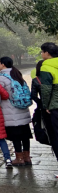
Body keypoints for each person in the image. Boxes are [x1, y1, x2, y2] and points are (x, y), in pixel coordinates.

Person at [0, 57, 32, 166]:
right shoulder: (17, 74)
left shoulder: (1, 78)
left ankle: (19, 159)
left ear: (3, 64)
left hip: (10, 111)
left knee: (16, 136)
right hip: (23, 109)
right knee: (25, 135)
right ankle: (27, 158)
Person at [38, 43, 58, 176]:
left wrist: (46, 106)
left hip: (56, 107)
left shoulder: (46, 66)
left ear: (47, 53)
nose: (41, 54)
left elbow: (46, 90)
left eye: (42, 52)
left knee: (56, 137)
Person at [31, 59, 58, 160]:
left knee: (52, 135)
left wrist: (42, 104)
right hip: (55, 107)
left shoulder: (36, 80)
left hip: (45, 109)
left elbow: (33, 96)